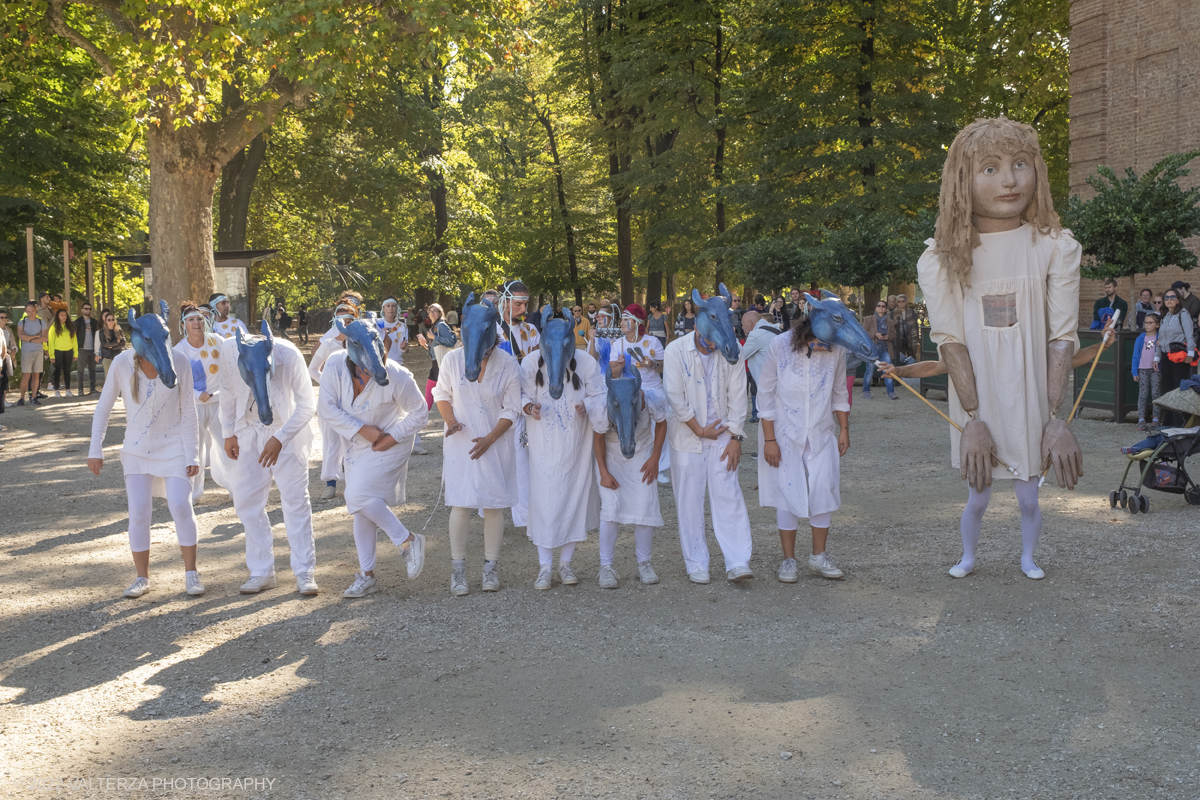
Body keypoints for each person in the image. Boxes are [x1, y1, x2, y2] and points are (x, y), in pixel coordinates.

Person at [904, 116, 1082, 581]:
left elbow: (1061, 337)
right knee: (978, 495)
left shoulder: (1053, 247)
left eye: (1020, 164)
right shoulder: (943, 257)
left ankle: (1028, 557)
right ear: (963, 179)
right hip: (978, 397)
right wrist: (973, 420)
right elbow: (952, 342)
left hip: (1031, 397)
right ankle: (967, 557)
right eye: (991, 168)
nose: (1009, 180)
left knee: (1028, 496)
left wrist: (1054, 417)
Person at [88, 304, 205, 599]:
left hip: (175, 446)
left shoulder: (178, 360)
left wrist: (192, 454)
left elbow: (189, 411)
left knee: (180, 505)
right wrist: (95, 447)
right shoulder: (122, 363)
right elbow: (103, 407)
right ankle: (142, 577)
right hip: (137, 449)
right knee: (139, 512)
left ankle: (192, 573)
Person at [318, 318, 428, 598]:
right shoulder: (334, 364)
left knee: (356, 496)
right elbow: (327, 408)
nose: (369, 372)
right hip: (358, 440)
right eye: (365, 368)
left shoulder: (397, 374)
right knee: (361, 505)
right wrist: (361, 430)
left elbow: (419, 412)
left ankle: (407, 541)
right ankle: (367, 575)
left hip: (390, 440)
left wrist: (392, 436)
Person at [219, 319, 319, 595]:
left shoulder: (289, 354)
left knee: (295, 500)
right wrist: (229, 432)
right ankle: (262, 570)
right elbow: (227, 393)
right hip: (248, 431)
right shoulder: (228, 351)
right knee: (246, 500)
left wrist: (280, 438)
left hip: (285, 429)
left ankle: (304, 570)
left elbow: (307, 404)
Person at [663, 289, 754, 584]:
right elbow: (675, 397)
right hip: (687, 437)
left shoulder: (732, 351)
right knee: (689, 500)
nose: (714, 343)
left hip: (723, 435)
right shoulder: (675, 351)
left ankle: (737, 560)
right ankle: (696, 562)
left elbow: (740, 395)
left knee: (728, 494)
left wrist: (737, 437)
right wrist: (698, 429)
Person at [432, 303, 520, 595]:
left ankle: (490, 569)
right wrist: (450, 420)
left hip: (495, 442)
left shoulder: (507, 363)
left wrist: (491, 438)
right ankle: (458, 571)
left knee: (494, 504)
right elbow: (441, 393)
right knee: (462, 503)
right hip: (462, 442)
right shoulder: (453, 360)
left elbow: (512, 408)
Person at [757, 311, 851, 582]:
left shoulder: (838, 349)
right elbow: (764, 395)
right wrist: (770, 439)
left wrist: (844, 428)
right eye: (821, 341)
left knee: (824, 487)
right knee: (787, 492)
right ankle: (789, 560)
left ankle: (818, 557)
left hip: (821, 431)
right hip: (784, 432)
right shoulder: (780, 345)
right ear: (809, 332)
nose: (826, 347)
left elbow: (839, 392)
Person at [519, 310, 606, 589]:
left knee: (573, 500)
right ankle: (545, 566)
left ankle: (566, 564)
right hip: (542, 444)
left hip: (575, 445)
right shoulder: (532, 362)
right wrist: (527, 406)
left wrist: (588, 406)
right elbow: (518, 393)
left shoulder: (586, 363)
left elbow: (599, 394)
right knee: (544, 501)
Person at [594, 353, 668, 588]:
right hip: (613, 458)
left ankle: (644, 563)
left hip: (642, 456)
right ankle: (605, 567)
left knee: (644, 506)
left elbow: (662, 422)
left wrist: (656, 457)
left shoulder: (650, 399)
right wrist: (604, 472)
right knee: (611, 509)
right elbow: (598, 439)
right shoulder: (603, 405)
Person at [173, 302, 228, 502]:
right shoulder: (179, 350)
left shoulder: (217, 340)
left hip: (218, 404)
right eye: (191, 320)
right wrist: (197, 394)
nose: (196, 322)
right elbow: (177, 380)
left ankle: (234, 488)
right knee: (195, 449)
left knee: (226, 445)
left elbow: (231, 365)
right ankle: (194, 494)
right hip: (193, 407)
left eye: (199, 318)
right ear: (183, 324)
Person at [309, 292, 362, 499]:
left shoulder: (359, 344)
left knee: (353, 438)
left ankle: (354, 482)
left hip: (354, 398)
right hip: (330, 400)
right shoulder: (328, 344)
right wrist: (330, 385)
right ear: (335, 322)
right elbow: (313, 369)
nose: (345, 324)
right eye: (341, 320)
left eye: (349, 320)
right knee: (332, 441)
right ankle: (331, 483)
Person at [1156, 289, 1195, 428]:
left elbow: (1189, 335)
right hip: (1166, 355)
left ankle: (1180, 423)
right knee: (1168, 389)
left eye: (1173, 297)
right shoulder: (1165, 316)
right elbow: (1160, 339)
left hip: (1178, 356)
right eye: (1166, 297)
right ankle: (1169, 422)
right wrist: (1156, 357)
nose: (1169, 299)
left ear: (1178, 300)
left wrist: (1190, 354)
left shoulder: (1183, 314)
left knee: (1179, 389)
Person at [741, 309, 782, 425]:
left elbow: (739, 357)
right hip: (782, 381)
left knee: (768, 421)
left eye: (743, 325)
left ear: (750, 323)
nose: (743, 328)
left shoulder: (755, 335)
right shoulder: (775, 329)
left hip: (769, 387)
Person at [862, 300, 897, 399]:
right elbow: (863, 332)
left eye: (883, 306)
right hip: (872, 349)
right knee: (869, 371)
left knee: (888, 371)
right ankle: (866, 391)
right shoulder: (869, 319)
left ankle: (891, 392)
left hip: (885, 349)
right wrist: (875, 335)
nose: (881, 307)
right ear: (876, 308)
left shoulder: (890, 321)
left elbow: (894, 334)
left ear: (885, 309)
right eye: (879, 306)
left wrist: (888, 337)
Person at [1132, 313, 1161, 430]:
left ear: (1157, 324)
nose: (1147, 325)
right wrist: (1134, 371)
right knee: (1142, 394)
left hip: (1156, 370)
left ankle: (1156, 419)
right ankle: (1141, 419)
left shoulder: (1160, 337)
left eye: (1150, 323)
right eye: (1146, 322)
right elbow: (1135, 355)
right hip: (1143, 369)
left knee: (1156, 394)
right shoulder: (1141, 338)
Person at [16, 301, 47, 406]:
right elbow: (20, 336)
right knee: (26, 375)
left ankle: (34, 397)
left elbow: (45, 338)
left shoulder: (41, 322)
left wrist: (28, 338)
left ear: (35, 310)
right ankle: (21, 398)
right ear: (26, 311)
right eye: (28, 311)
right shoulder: (22, 322)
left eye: (32, 311)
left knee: (36, 375)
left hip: (38, 351)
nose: (31, 313)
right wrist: (36, 336)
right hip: (26, 352)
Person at [48, 308, 77, 398]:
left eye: (65, 315)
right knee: (57, 371)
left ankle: (68, 390)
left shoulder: (70, 326)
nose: (64, 317)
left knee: (67, 371)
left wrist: (75, 353)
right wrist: (52, 355)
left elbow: (74, 340)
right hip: (57, 351)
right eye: (62, 315)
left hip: (69, 351)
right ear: (58, 316)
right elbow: (51, 341)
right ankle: (56, 390)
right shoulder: (53, 327)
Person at [74, 302, 99, 396]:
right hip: (82, 349)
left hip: (92, 349)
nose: (87, 310)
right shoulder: (77, 322)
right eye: (86, 308)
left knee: (92, 369)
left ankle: (93, 389)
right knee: (80, 370)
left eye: (89, 309)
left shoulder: (94, 322)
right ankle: (80, 390)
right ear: (82, 310)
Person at [888, 294, 920, 365]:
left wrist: (917, 337)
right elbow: (891, 327)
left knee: (912, 356)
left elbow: (916, 325)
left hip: (911, 337)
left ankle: (912, 373)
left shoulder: (911, 311)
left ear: (906, 302)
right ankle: (902, 373)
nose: (901, 303)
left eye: (903, 301)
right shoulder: (893, 313)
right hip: (899, 338)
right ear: (897, 302)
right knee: (900, 357)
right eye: (899, 301)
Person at [98, 309, 126, 382]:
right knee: (109, 377)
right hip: (107, 357)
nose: (111, 321)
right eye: (109, 320)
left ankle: (119, 392)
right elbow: (104, 344)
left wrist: (112, 347)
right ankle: (108, 393)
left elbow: (123, 343)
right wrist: (117, 342)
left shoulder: (118, 330)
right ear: (106, 321)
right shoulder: (102, 331)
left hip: (117, 356)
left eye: (112, 319)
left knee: (119, 376)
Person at [0, 309, 13, 414]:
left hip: (5, 358)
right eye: (1, 317)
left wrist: (13, 351)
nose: (4, 319)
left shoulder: (7, 330)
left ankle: (3, 400)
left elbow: (11, 343)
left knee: (4, 381)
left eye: (5, 317)